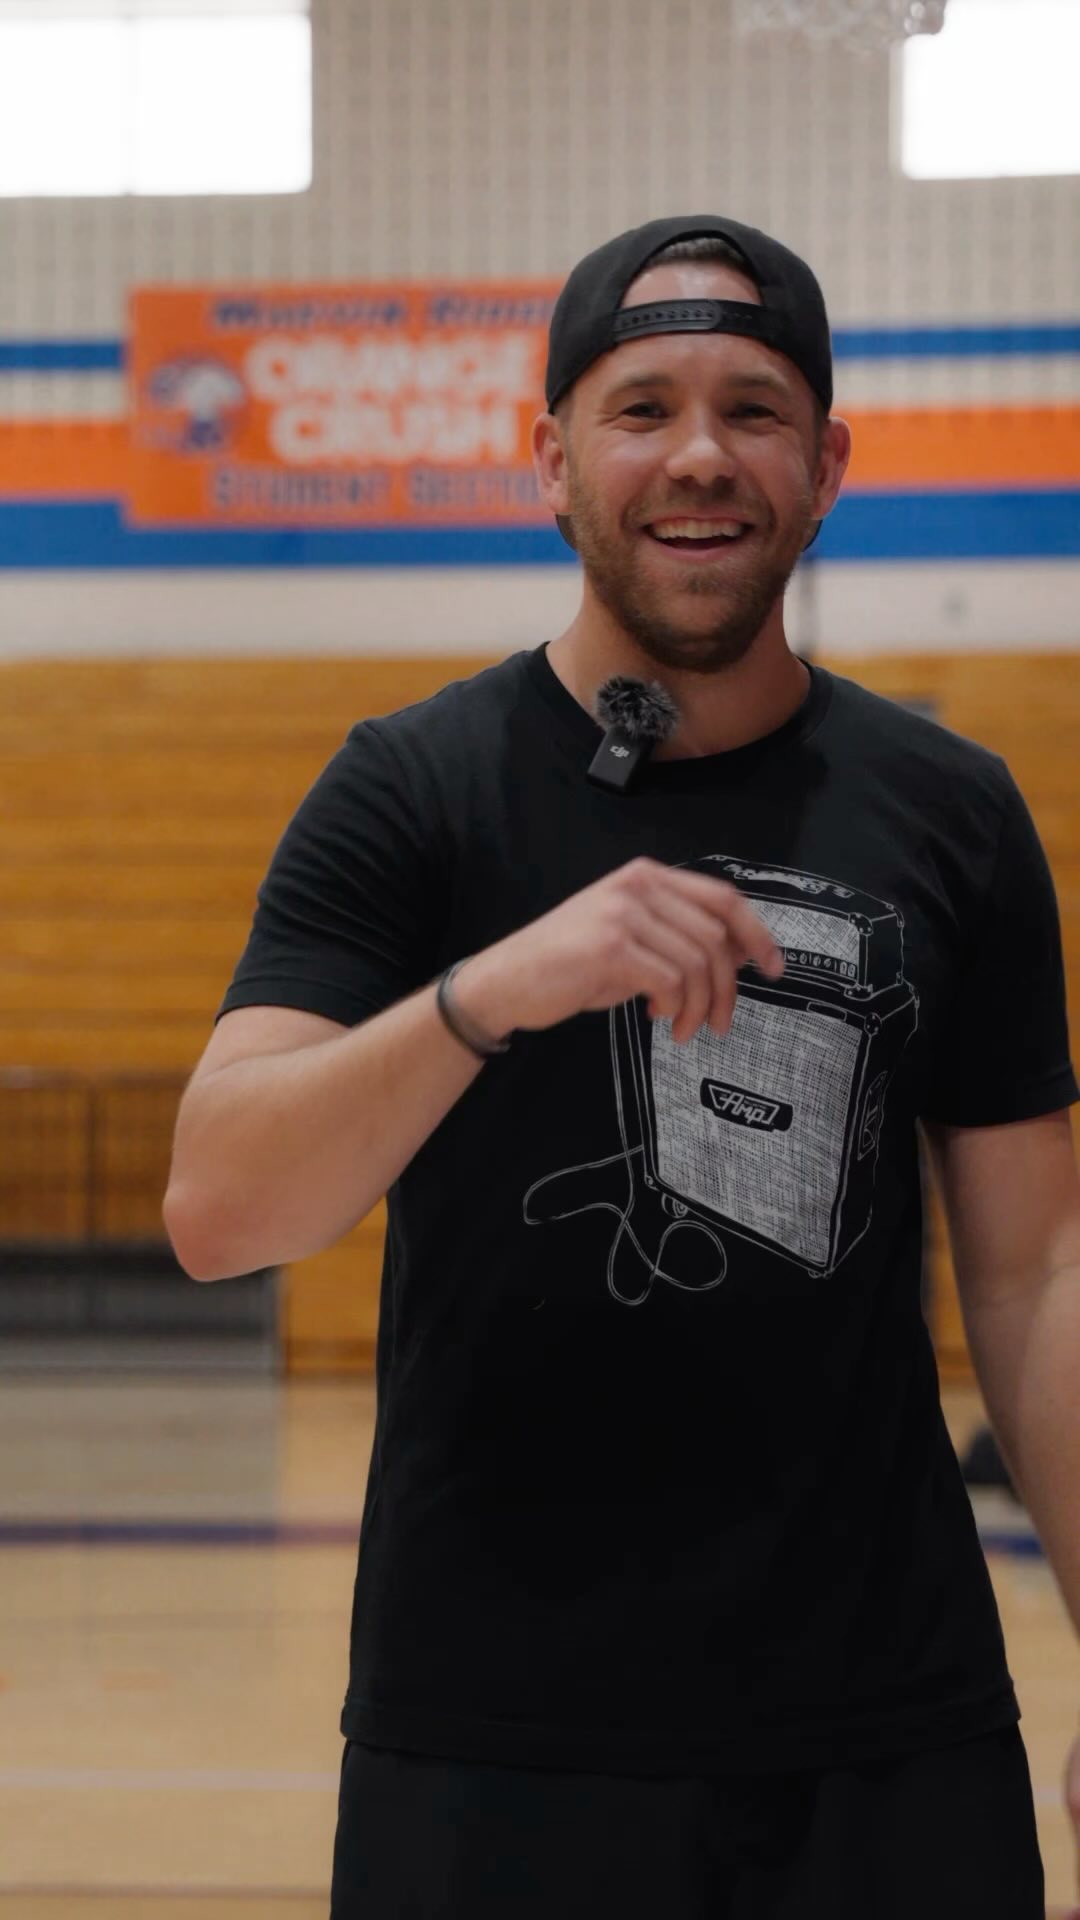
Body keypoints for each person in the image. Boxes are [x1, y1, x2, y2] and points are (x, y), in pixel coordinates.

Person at [164, 215, 1080, 1919]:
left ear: (828, 466)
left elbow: (1038, 1273)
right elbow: (222, 1208)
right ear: (552, 459)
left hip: (888, 1744)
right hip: (492, 1743)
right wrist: (489, 992)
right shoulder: (409, 792)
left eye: (756, 407)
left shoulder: (951, 810)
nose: (702, 455)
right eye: (642, 405)